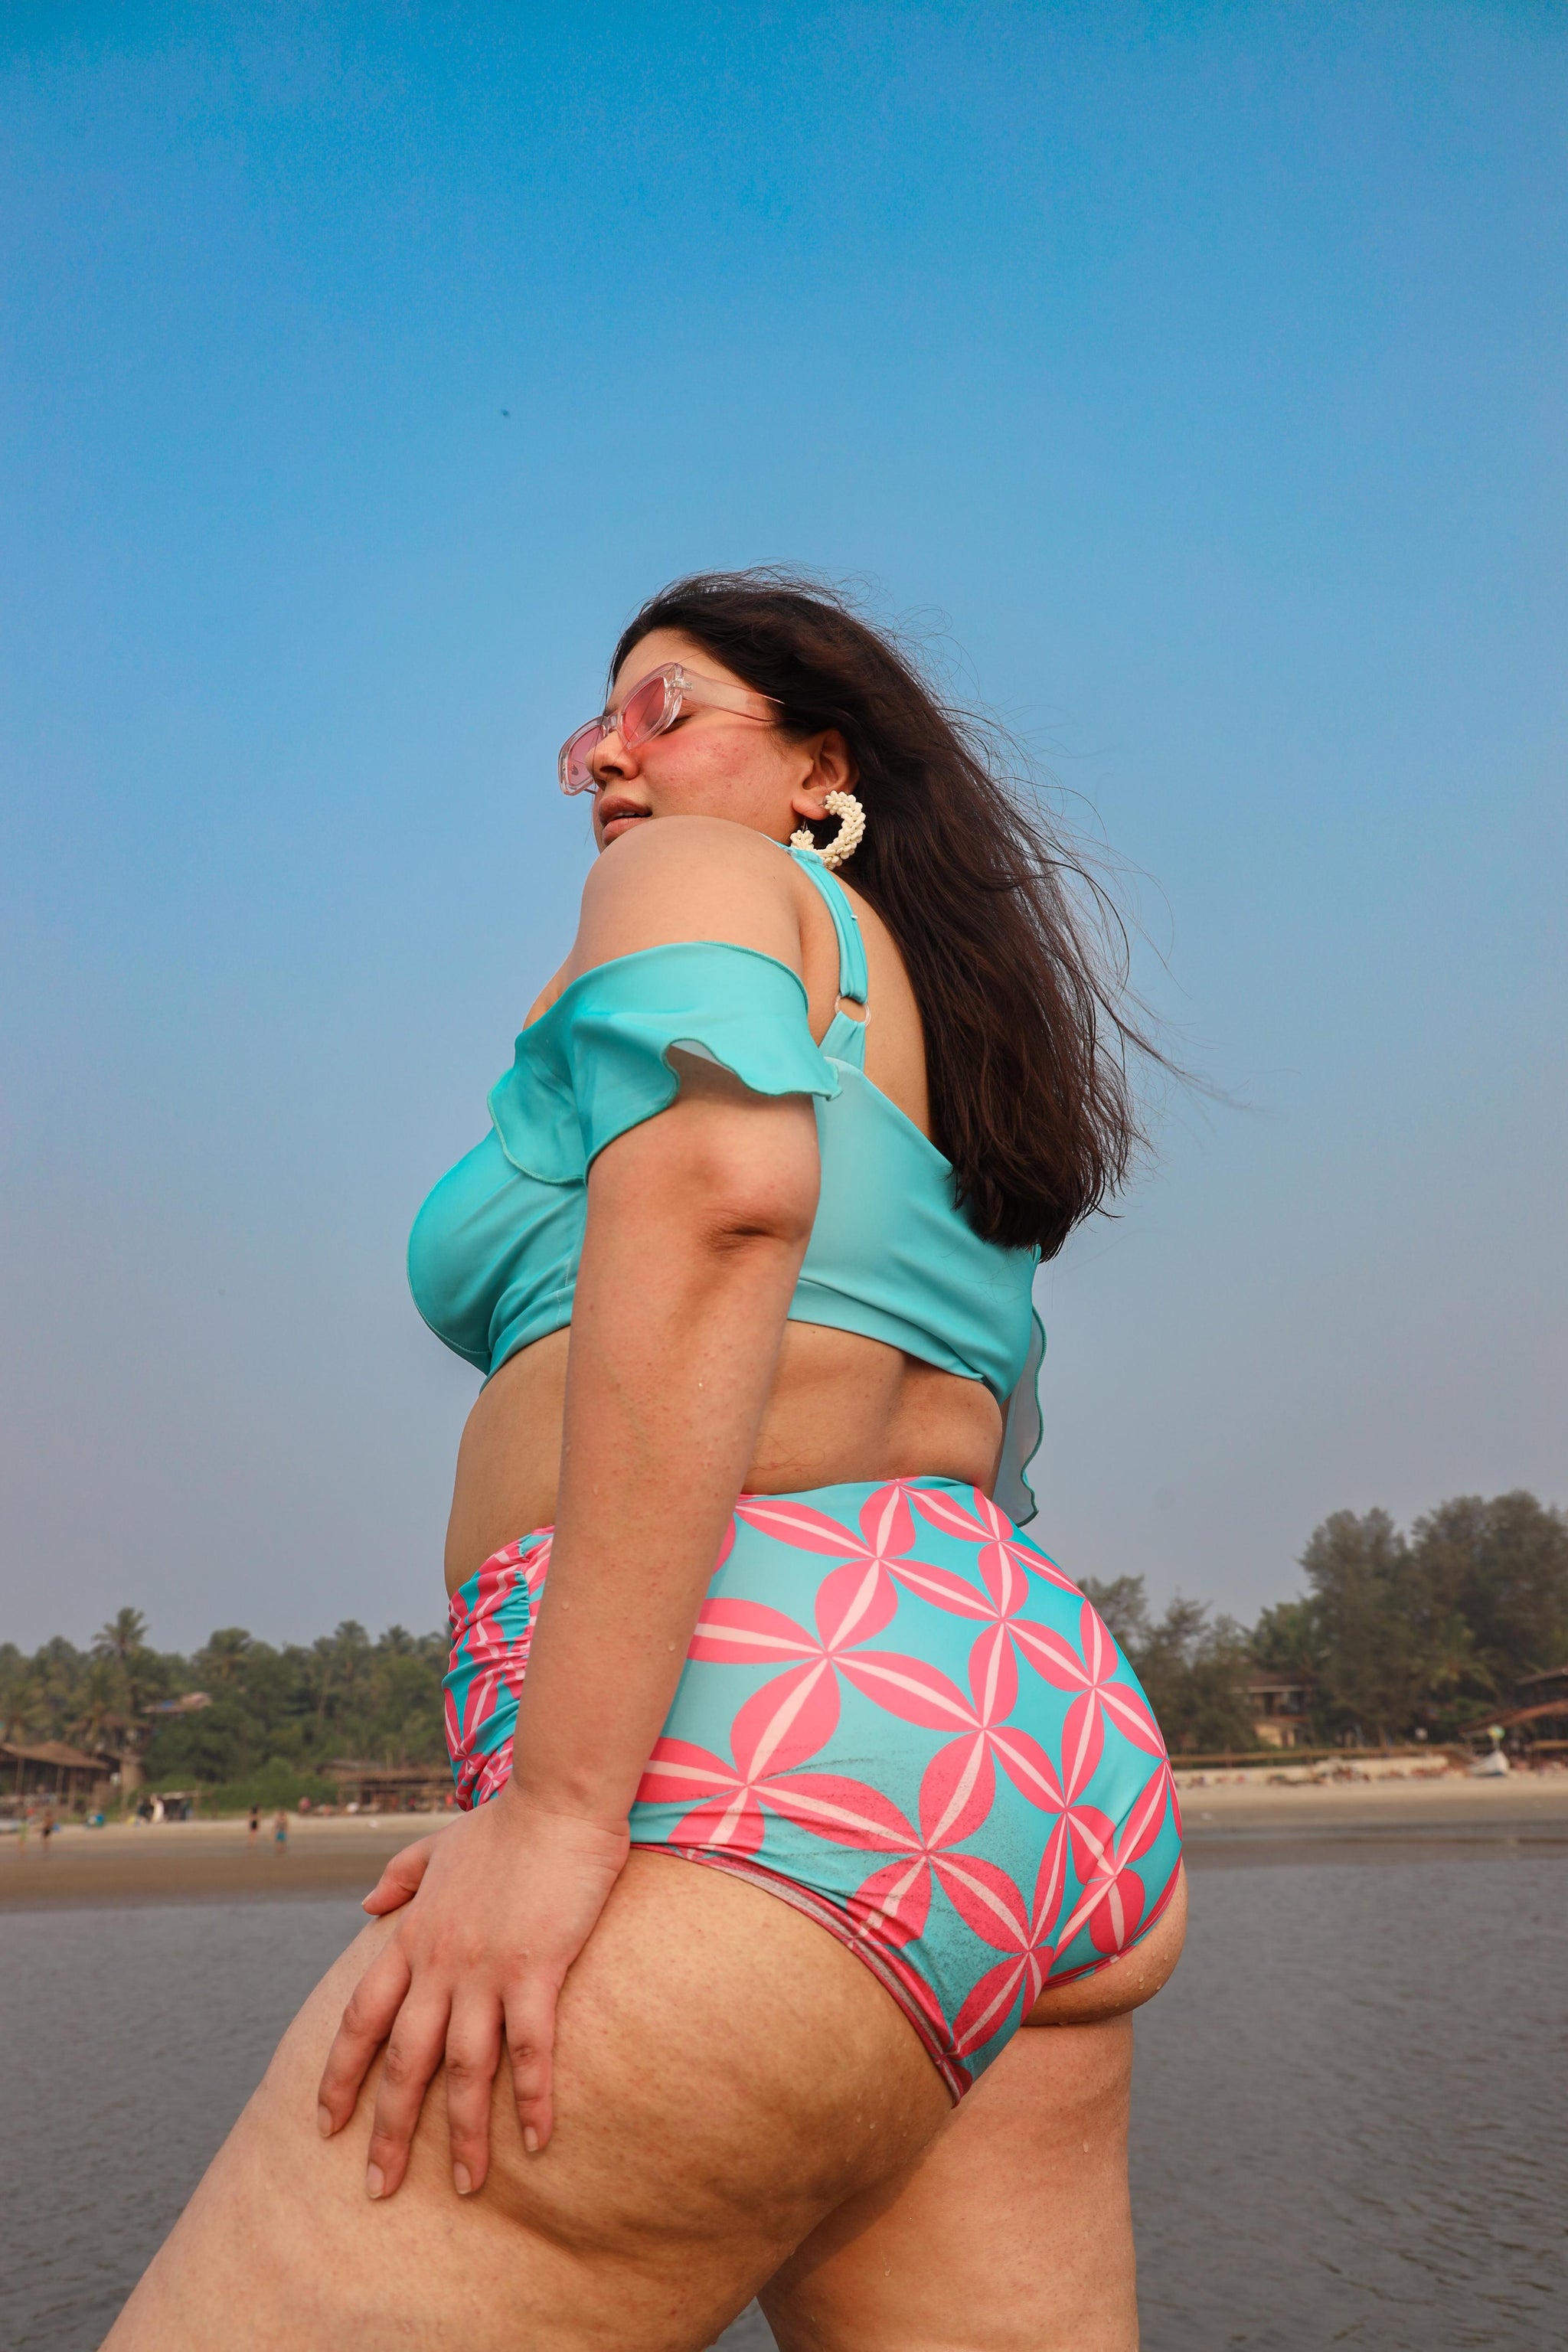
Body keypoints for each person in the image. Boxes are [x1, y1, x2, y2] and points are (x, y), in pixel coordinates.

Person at [105, 573, 1187, 2352]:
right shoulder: (925, 1044)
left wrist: (555, 1807)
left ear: (816, 766)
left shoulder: (693, 879)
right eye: (590, 731)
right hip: (1021, 1740)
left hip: (741, 1743)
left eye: (663, 710)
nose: (610, 757)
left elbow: (719, 1204)